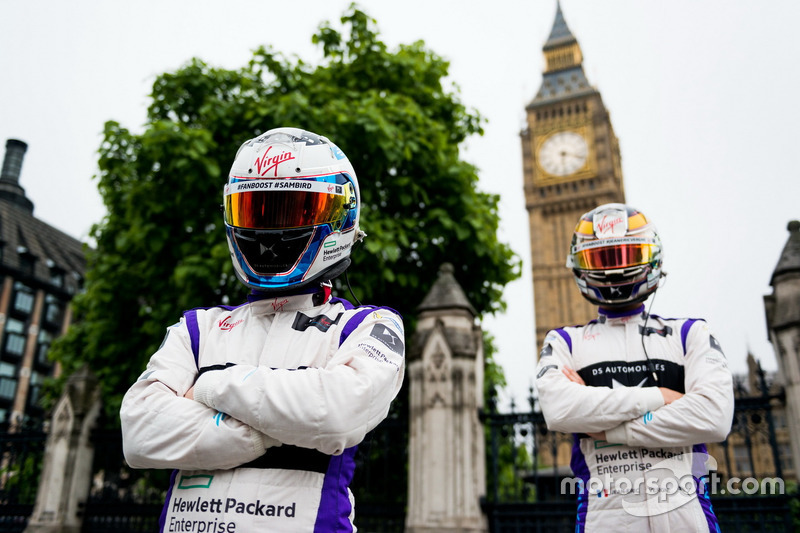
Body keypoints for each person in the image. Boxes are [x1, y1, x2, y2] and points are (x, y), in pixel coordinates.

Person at [120, 127, 406, 532]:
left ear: (341, 217)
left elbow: (339, 412)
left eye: (295, 212)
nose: (271, 232)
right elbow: (138, 433)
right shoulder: (197, 327)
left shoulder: (367, 325)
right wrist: (279, 426)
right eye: (256, 211)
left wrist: (210, 387)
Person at [535, 203, 733, 532]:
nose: (614, 271)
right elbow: (559, 412)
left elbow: (714, 417)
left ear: (650, 258)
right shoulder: (565, 342)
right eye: (601, 259)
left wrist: (606, 427)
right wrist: (664, 396)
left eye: (626, 255)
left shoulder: (689, 334)